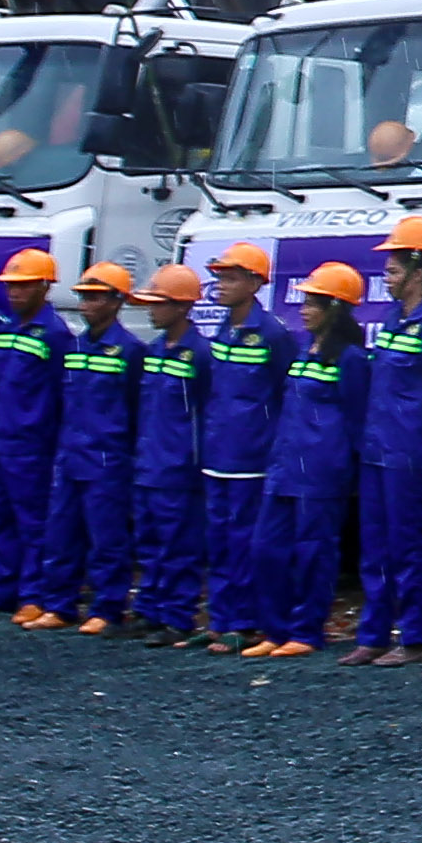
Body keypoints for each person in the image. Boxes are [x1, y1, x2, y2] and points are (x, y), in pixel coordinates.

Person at [236, 263, 372, 659]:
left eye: (313, 303)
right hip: (283, 467)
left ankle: (306, 630)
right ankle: (274, 629)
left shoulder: (349, 359)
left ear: (334, 307)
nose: (304, 309)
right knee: (266, 548)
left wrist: (348, 470)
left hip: (321, 472)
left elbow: (356, 416)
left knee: (314, 553)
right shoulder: (301, 351)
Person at [344, 221, 422, 667]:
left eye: (393, 270)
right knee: (374, 546)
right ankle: (373, 634)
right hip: (377, 450)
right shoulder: (395, 320)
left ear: (417, 272)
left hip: (409, 455)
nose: (386, 277)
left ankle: (414, 637)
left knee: (409, 546)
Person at [31, 264, 143, 633]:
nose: (87, 304)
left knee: (107, 538)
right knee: (61, 534)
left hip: (107, 460)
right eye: (84, 296)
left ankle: (108, 608)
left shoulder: (129, 351)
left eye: (96, 297)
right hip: (71, 456)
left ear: (117, 301)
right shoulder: (74, 346)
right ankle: (59, 604)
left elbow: (135, 409)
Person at [191, 244, 287, 649]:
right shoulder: (223, 330)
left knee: (245, 542)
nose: (221, 285)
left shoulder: (273, 334)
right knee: (218, 540)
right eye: (219, 277)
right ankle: (221, 618)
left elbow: (284, 394)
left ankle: (244, 623)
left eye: (230, 278)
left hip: (252, 458)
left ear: (255, 283)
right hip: (218, 455)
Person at [125, 264, 213, 648]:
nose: (150, 310)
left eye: (158, 303)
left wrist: (192, 461)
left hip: (179, 468)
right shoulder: (154, 350)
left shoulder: (201, 354)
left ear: (181, 306)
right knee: (148, 540)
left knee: (178, 545)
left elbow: (207, 412)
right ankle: (150, 609)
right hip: (148, 464)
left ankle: (177, 616)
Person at [0, 251, 67, 622]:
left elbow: (61, 392)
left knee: (32, 520)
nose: (15, 293)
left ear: (44, 287)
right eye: (11, 286)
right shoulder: (5, 330)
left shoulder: (55, 334)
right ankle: (2, 588)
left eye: (24, 286)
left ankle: (33, 594)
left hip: (31, 443)